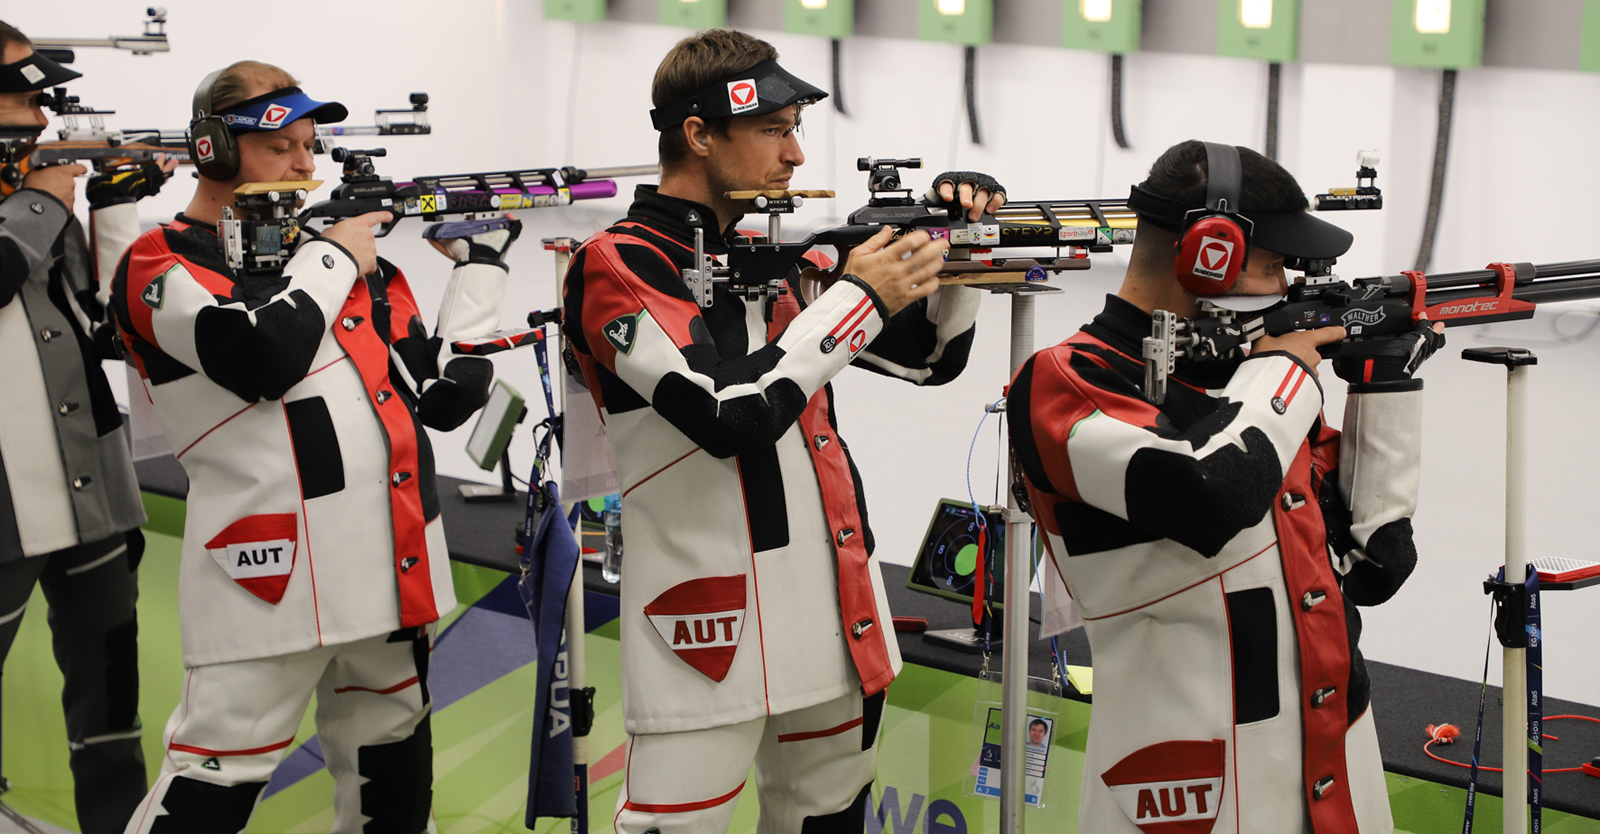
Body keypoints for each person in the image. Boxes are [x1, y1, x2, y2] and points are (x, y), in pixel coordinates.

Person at [561, 28, 1005, 834]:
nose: (796, 154)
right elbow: (729, 413)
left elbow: (930, 359)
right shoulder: (618, 264)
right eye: (774, 128)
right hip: (704, 633)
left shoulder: (776, 262)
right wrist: (857, 296)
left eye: (795, 128)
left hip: (835, 623)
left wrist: (951, 248)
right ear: (699, 134)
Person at [110, 61, 514, 832]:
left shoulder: (350, 268)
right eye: (281, 146)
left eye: (311, 144)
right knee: (208, 789)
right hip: (267, 577)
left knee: (392, 802)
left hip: (388, 578)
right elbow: (262, 358)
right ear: (214, 150)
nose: (306, 165)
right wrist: (333, 255)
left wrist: (482, 274)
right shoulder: (163, 262)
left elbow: (442, 399)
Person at [1007, 140, 1443, 833]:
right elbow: (1211, 491)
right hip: (1185, 782)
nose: (1288, 290)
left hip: (1330, 759)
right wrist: (1288, 373)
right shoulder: (1066, 381)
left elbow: (1374, 566)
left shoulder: (1251, 389)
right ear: (1209, 253)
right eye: (1275, 267)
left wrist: (1386, 383)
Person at [0, 22, 171, 833]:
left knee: (111, 720)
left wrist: (114, 208)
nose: (40, 113)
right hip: (6, 510)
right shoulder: (32, 198)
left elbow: (104, 319)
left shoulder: (36, 193)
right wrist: (40, 199)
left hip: (91, 492)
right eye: (23, 94)